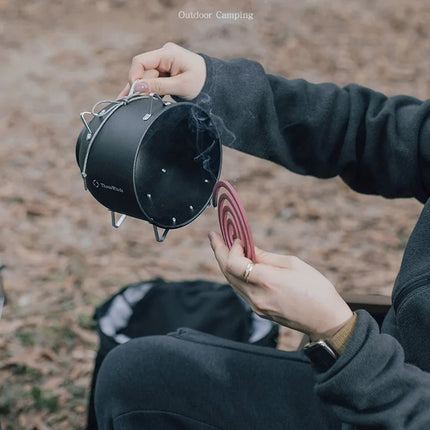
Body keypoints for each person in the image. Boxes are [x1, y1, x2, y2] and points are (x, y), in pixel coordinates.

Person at [94, 43, 430, 429]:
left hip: (388, 398)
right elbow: (369, 132)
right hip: (385, 365)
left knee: (137, 381)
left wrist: (339, 336)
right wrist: (214, 86)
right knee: (138, 378)